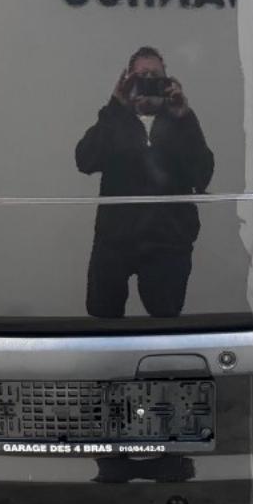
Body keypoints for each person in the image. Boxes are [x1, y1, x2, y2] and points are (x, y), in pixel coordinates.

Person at [75, 46, 214, 318]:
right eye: (141, 76)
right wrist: (116, 104)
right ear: (128, 81)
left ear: (167, 82)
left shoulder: (180, 120)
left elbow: (202, 174)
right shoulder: (116, 119)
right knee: (102, 317)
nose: (149, 82)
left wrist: (184, 117)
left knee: (165, 321)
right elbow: (85, 160)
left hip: (168, 243)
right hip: (114, 240)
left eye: (156, 76)